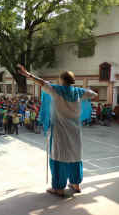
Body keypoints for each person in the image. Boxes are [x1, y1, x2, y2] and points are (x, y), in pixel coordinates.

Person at [18, 65, 98, 197]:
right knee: (75, 157)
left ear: (61, 80)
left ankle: (59, 188)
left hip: (60, 132)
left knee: (58, 157)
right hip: (75, 132)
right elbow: (94, 95)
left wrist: (28, 75)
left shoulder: (56, 90)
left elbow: (42, 83)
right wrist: (82, 93)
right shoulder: (79, 92)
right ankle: (76, 184)